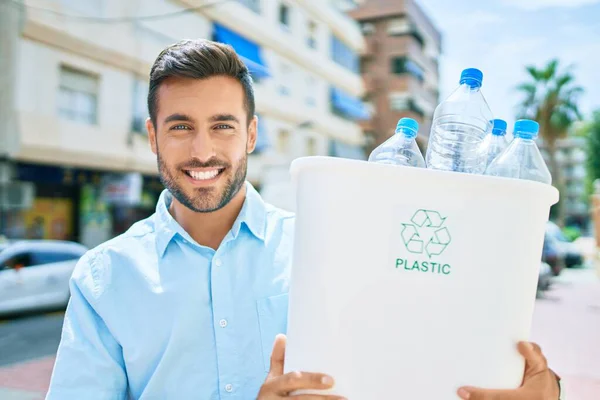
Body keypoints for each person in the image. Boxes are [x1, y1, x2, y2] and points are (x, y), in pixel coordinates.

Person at [46, 39, 562, 400]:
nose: (202, 150)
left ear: (250, 135)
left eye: (222, 126)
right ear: (153, 136)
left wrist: (541, 385)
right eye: (180, 127)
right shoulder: (104, 278)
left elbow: (430, 344)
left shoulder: (332, 248)